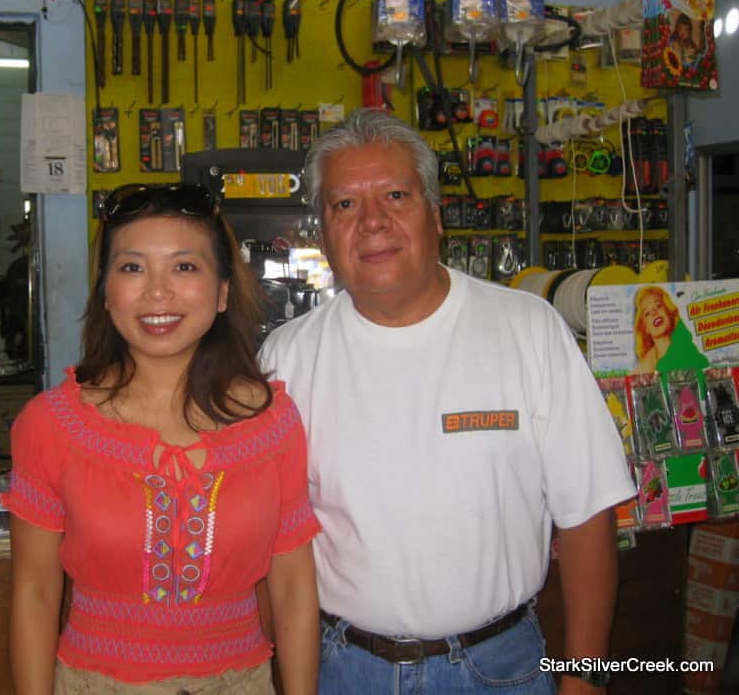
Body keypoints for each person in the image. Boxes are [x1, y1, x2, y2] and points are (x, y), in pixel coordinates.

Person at [258, 109, 636, 694]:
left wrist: (588, 681)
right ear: (322, 231)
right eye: (344, 205)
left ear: (435, 215)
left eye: (395, 195)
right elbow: (268, 548)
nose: (372, 222)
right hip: (342, 668)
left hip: (500, 668)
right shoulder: (286, 360)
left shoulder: (528, 330)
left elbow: (587, 516)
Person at [1, 183, 320, 695]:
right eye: (132, 267)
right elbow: (35, 594)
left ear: (221, 293)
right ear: (105, 292)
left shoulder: (272, 424)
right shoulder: (52, 424)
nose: (157, 291)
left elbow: (294, 589)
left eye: (184, 266)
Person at [634, 284, 708, 374]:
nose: (654, 312)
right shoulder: (644, 370)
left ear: (669, 310)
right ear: (645, 328)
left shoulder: (690, 345)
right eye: (647, 313)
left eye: (658, 305)